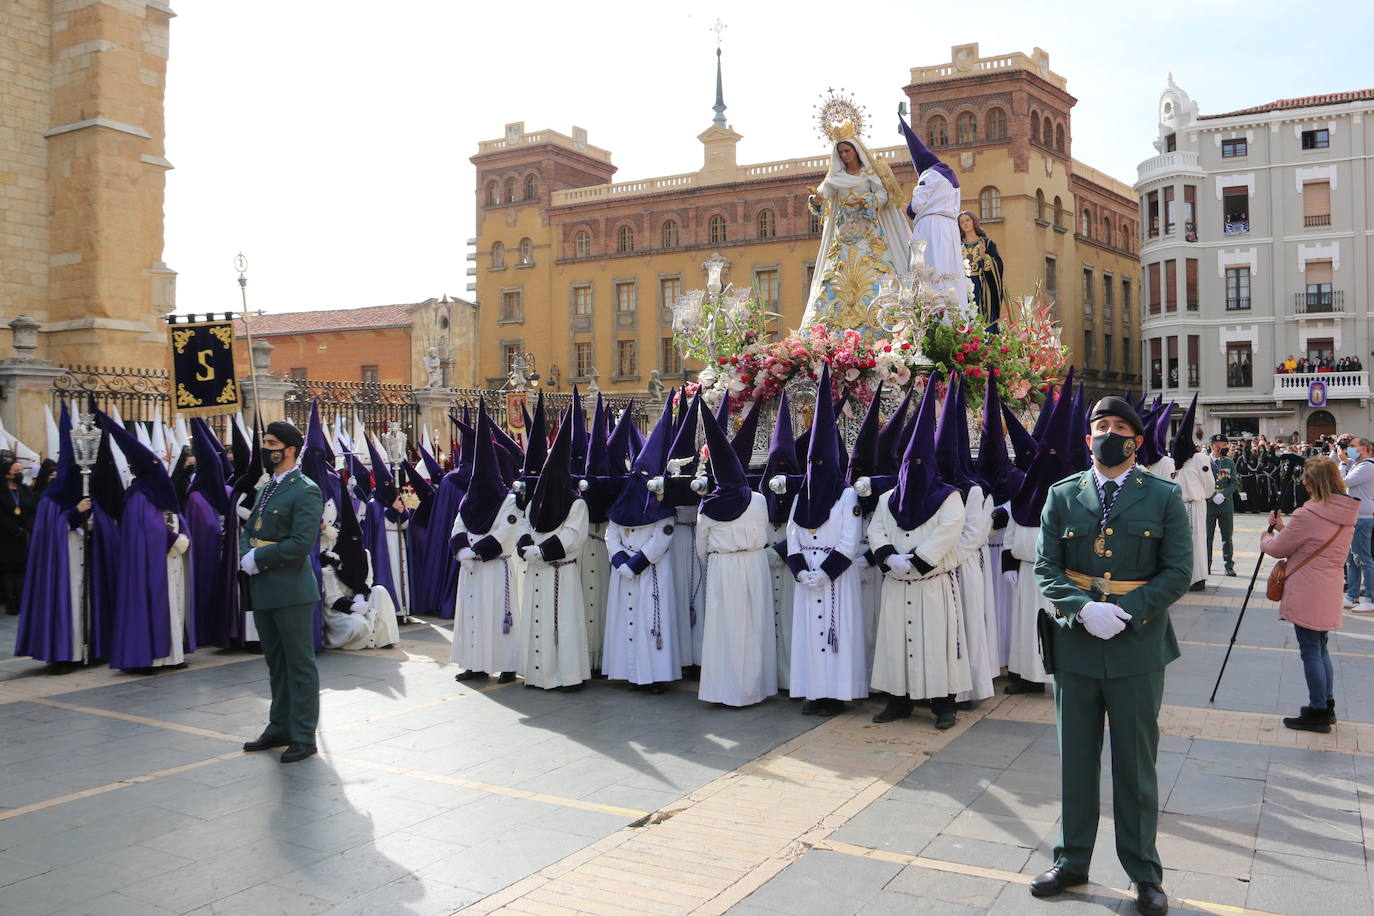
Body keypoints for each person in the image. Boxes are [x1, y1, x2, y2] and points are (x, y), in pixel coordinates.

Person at [1032, 396, 1191, 916]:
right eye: (1101, 426)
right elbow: (1046, 567)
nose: (1109, 433)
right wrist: (1082, 610)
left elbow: (1177, 571)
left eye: (1120, 427)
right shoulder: (1062, 495)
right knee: (1075, 762)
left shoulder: (1163, 496)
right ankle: (1071, 859)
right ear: (1087, 439)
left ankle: (1144, 872)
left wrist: (1126, 610)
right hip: (1076, 647)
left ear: (1136, 441)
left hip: (1136, 648)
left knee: (1135, 767)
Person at [869, 373, 970, 728]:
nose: (913, 473)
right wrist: (887, 556)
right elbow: (876, 528)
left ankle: (944, 704)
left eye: (919, 467)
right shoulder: (887, 498)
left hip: (930, 584)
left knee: (936, 644)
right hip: (896, 583)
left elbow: (947, 534)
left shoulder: (948, 498)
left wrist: (912, 561)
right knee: (896, 643)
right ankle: (898, 700)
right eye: (907, 467)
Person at [239, 420, 325, 763]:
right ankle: (279, 725)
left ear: (289, 449)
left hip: (291, 589)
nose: (266, 448)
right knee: (276, 663)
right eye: (265, 442)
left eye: (272, 443)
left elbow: (302, 543)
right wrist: (248, 552)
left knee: (299, 664)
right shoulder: (267, 488)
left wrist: (259, 557)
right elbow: (250, 527)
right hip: (264, 586)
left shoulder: (305, 489)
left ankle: (304, 734)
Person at [786, 365, 867, 716]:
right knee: (809, 634)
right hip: (808, 576)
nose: (815, 469)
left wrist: (826, 572)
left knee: (836, 633)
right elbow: (792, 536)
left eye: (821, 462)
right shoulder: (799, 495)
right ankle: (813, 691)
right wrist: (801, 571)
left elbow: (850, 541)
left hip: (835, 577)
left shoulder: (847, 497)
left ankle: (835, 693)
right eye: (810, 463)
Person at [1261, 458, 1356, 733]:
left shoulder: (1309, 513)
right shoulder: (1345, 511)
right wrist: (1283, 528)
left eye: (1306, 479)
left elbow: (1279, 549)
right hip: (1329, 585)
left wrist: (1265, 538)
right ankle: (1326, 703)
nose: (1303, 483)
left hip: (1307, 587)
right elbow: (1310, 539)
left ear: (1314, 482)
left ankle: (1317, 712)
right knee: (1321, 647)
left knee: (1310, 651)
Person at [695, 405, 777, 707]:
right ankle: (755, 687)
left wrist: (717, 557)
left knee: (723, 629)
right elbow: (765, 531)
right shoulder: (757, 500)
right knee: (754, 626)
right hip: (754, 564)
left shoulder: (708, 508)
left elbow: (700, 547)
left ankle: (723, 690)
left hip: (723, 565)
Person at [602, 397, 680, 694]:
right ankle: (628, 671)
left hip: (650, 571)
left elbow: (664, 533)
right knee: (626, 620)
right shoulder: (625, 499)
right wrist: (620, 561)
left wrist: (638, 563)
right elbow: (612, 531)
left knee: (651, 620)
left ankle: (654, 676)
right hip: (624, 572)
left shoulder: (662, 504)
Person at [800, 130, 910, 332]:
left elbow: (883, 194)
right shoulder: (835, 178)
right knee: (836, 276)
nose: (844, 155)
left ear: (856, 150)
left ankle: (882, 324)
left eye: (847, 150)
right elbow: (821, 196)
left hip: (869, 236)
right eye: (840, 152)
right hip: (844, 237)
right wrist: (815, 200)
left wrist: (866, 200)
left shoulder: (869, 174)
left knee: (875, 273)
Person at [516, 413, 591, 691]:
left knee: (563, 624)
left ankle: (567, 675)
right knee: (537, 621)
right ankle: (537, 674)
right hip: (537, 569)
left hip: (560, 572)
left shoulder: (577, 504)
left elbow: (572, 536)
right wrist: (526, 548)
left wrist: (541, 551)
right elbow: (525, 522)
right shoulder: (535, 500)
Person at [450, 404, 522, 679]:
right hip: (471, 568)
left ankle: (507, 665)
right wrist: (462, 551)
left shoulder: (509, 501)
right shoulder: (468, 500)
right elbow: (458, 524)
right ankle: (475, 663)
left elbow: (506, 533)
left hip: (494, 567)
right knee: (473, 617)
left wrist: (476, 552)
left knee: (498, 617)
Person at [899, 118, 971, 318]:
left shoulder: (928, 175)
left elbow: (917, 204)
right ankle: (956, 319)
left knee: (929, 271)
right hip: (949, 229)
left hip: (930, 227)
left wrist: (905, 207)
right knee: (950, 274)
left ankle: (933, 319)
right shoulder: (951, 177)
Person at [1335, 436, 1374, 612]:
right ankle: (1352, 596)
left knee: (1363, 558)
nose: (1349, 449)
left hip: (1363, 518)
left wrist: (1343, 464)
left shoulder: (1367, 467)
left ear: (1364, 449)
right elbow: (1333, 460)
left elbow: (1341, 483)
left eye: (1352, 446)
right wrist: (1337, 447)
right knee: (1351, 559)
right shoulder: (1359, 465)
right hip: (1355, 516)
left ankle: (1370, 598)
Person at [0, 455, 37, 613]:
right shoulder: (2, 491)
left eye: (21, 471)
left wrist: (26, 527)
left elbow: (33, 509)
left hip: (24, 534)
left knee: (22, 569)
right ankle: (11, 601)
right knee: (9, 570)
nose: (20, 474)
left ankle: (22, 600)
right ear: (7, 474)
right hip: (7, 536)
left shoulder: (26, 490)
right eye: (16, 471)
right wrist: (14, 529)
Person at [959, 211, 1005, 332]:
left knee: (982, 318)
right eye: (962, 222)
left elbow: (998, 267)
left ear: (974, 221)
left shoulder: (987, 243)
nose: (965, 224)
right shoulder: (957, 245)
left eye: (967, 220)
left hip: (982, 288)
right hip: (962, 288)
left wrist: (985, 257)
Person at [1206, 434, 1238, 576]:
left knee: (1227, 537)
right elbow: (1201, 482)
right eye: (1223, 445)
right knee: (1207, 537)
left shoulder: (1229, 462)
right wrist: (1213, 495)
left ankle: (1228, 565)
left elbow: (1234, 483)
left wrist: (1223, 495)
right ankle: (1206, 565)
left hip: (1225, 505)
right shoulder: (1204, 462)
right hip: (1209, 504)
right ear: (1214, 445)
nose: (1226, 447)